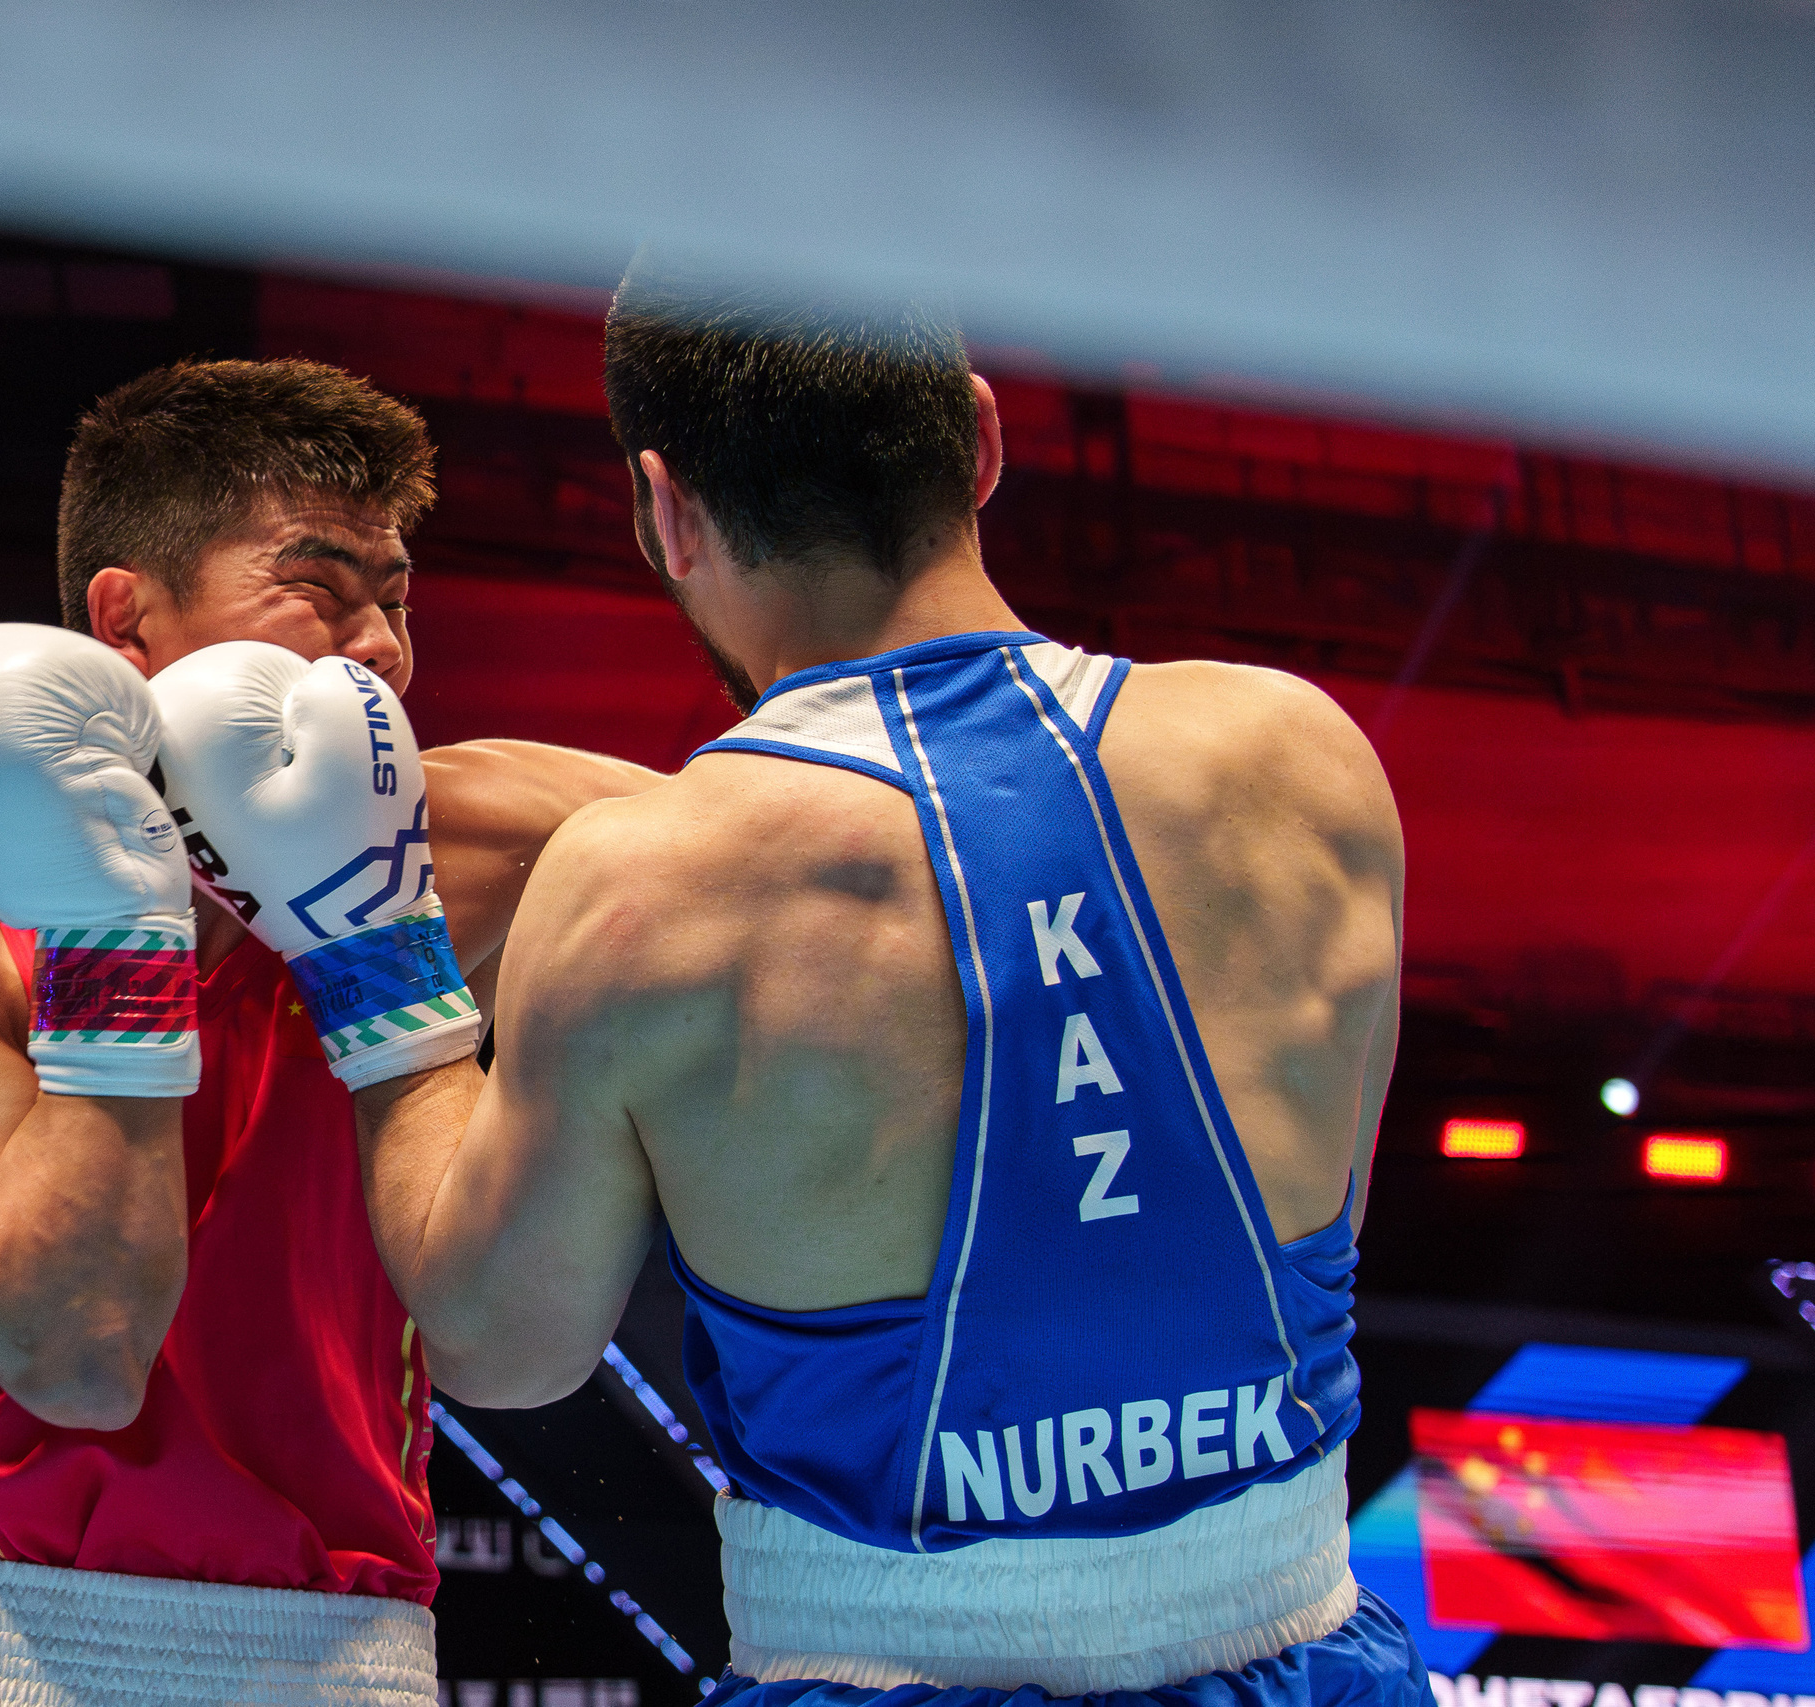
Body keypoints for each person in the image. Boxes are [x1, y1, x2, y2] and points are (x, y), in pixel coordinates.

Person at [167, 279, 1419, 1706]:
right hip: (1312, 1656)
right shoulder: (1308, 761)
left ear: (667, 510)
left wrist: (367, 943)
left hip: (880, 1672)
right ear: (984, 444)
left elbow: (501, 1348)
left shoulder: (651, 883)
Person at [0, 358, 658, 1707]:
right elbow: (77, 1359)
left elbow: (799, 852)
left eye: (398, 597)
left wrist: (387, 937)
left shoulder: (476, 837)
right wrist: (113, 936)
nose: (379, 650)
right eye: (318, 586)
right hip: (9, 1667)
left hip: (360, 1662)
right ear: (127, 616)